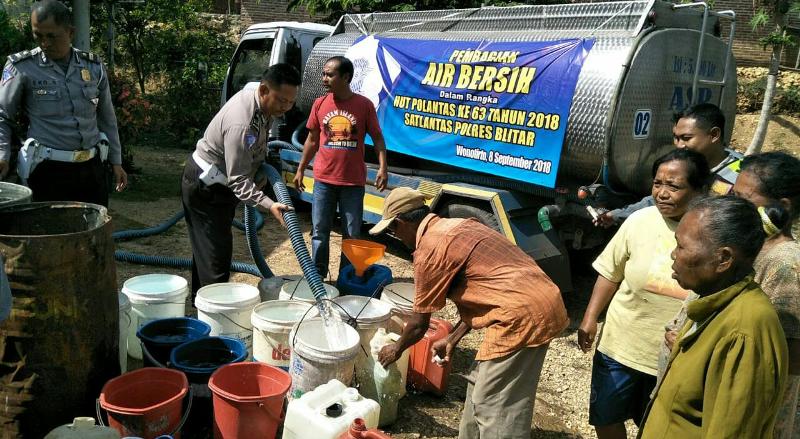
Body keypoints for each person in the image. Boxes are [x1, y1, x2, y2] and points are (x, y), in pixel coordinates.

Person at [370, 187, 568, 439]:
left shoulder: (430, 249)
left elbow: (419, 324)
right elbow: (482, 291)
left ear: (401, 222)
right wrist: (452, 338)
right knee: (478, 387)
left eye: (392, 230)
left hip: (521, 315)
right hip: (534, 298)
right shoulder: (458, 225)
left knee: (496, 407)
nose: (394, 236)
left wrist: (396, 348)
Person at [577, 149, 710, 439]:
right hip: (619, 346)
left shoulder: (712, 234)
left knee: (655, 427)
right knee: (605, 418)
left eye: (673, 186)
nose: (662, 193)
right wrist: (589, 318)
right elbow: (610, 272)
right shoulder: (639, 220)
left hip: (673, 355)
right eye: (657, 184)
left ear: (700, 189)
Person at [639, 196, 788, 438]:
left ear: (724, 259)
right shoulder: (711, 301)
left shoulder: (745, 332)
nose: (673, 255)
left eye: (682, 247)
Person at [181, 63, 298, 295]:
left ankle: (201, 303)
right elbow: (237, 180)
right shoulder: (241, 123)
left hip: (219, 182)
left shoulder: (262, 104)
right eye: (281, 101)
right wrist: (268, 203)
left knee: (210, 250)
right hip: (207, 185)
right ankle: (215, 315)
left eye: (290, 102)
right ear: (264, 90)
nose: (285, 107)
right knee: (215, 257)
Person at [0, 0, 127, 206]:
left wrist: (116, 161)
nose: (45, 43)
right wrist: (2, 155)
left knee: (93, 231)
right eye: (38, 35)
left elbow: (106, 117)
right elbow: (2, 114)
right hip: (47, 171)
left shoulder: (93, 66)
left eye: (52, 36)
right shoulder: (22, 68)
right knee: (49, 234)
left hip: (91, 170)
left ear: (70, 33)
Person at [292, 56, 388, 279]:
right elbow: (312, 140)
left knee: (351, 235)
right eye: (324, 74)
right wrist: (300, 169)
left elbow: (378, 138)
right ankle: (317, 278)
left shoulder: (364, 105)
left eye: (330, 74)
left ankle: (346, 278)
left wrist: (383, 168)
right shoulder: (320, 103)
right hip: (324, 180)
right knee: (319, 232)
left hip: (353, 183)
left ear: (346, 77)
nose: (324, 78)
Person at [732, 151, 800, 439]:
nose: (733, 205)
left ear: (781, 206)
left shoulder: (786, 264)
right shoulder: (749, 246)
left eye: (744, 200)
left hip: (751, 412)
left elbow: (792, 356)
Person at [594, 103, 740, 227]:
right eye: (676, 138)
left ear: (714, 135)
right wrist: (616, 215)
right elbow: (656, 201)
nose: (679, 145)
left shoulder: (742, 175)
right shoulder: (681, 164)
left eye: (686, 138)